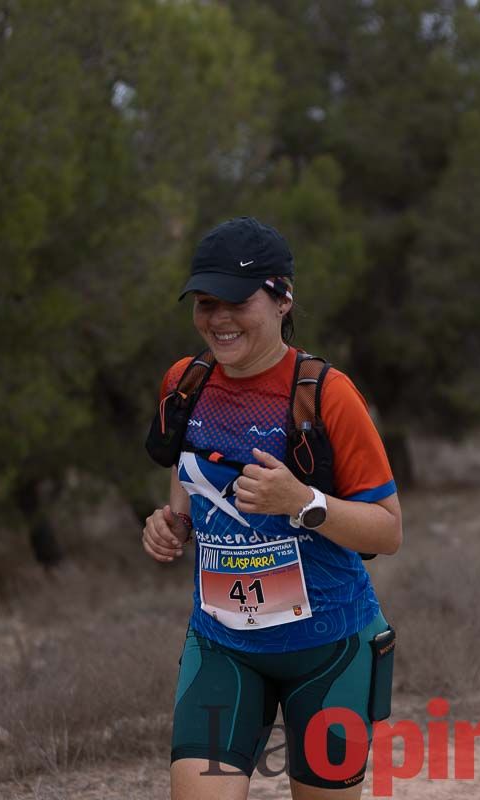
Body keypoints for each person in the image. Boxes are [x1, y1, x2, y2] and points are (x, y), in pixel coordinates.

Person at [142, 217, 403, 800]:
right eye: (206, 303)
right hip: (223, 646)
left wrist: (302, 502)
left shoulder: (327, 394)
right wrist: (174, 522)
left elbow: (387, 531)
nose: (219, 319)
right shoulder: (185, 382)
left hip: (329, 650)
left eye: (237, 301)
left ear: (283, 298)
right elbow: (189, 469)